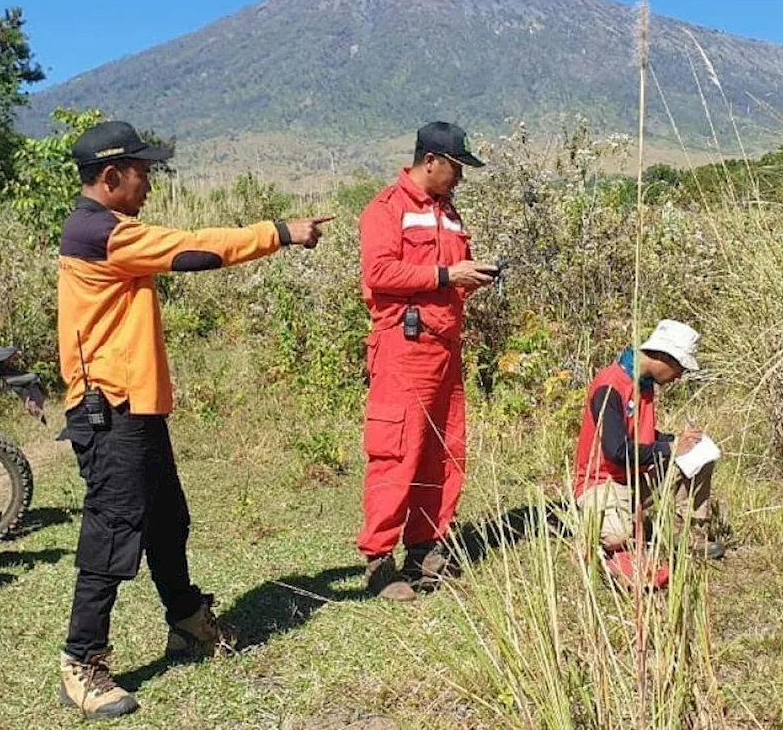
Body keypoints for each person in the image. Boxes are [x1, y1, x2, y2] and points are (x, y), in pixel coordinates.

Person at [55, 120, 332, 719]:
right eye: (143, 173)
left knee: (166, 520)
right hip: (110, 409)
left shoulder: (106, 228)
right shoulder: (100, 233)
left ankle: (185, 622)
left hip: (136, 406)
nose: (149, 184)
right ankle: (81, 663)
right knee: (113, 530)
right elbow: (194, 249)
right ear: (111, 177)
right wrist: (278, 232)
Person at [355, 121, 497, 601]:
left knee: (443, 451)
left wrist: (465, 278)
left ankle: (424, 549)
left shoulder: (450, 213)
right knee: (397, 451)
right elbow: (378, 272)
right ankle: (380, 562)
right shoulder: (386, 208)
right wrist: (444, 273)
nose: (459, 177)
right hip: (403, 346)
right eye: (455, 168)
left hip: (445, 348)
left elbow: (450, 272)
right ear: (430, 160)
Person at [574, 320, 724, 587]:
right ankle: (596, 536)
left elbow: (639, 437)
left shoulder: (644, 384)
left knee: (701, 456)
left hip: (636, 477)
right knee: (618, 534)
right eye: (679, 367)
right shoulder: (609, 384)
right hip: (601, 483)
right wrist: (669, 448)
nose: (679, 376)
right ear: (663, 356)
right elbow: (617, 451)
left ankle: (686, 534)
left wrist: (677, 441)